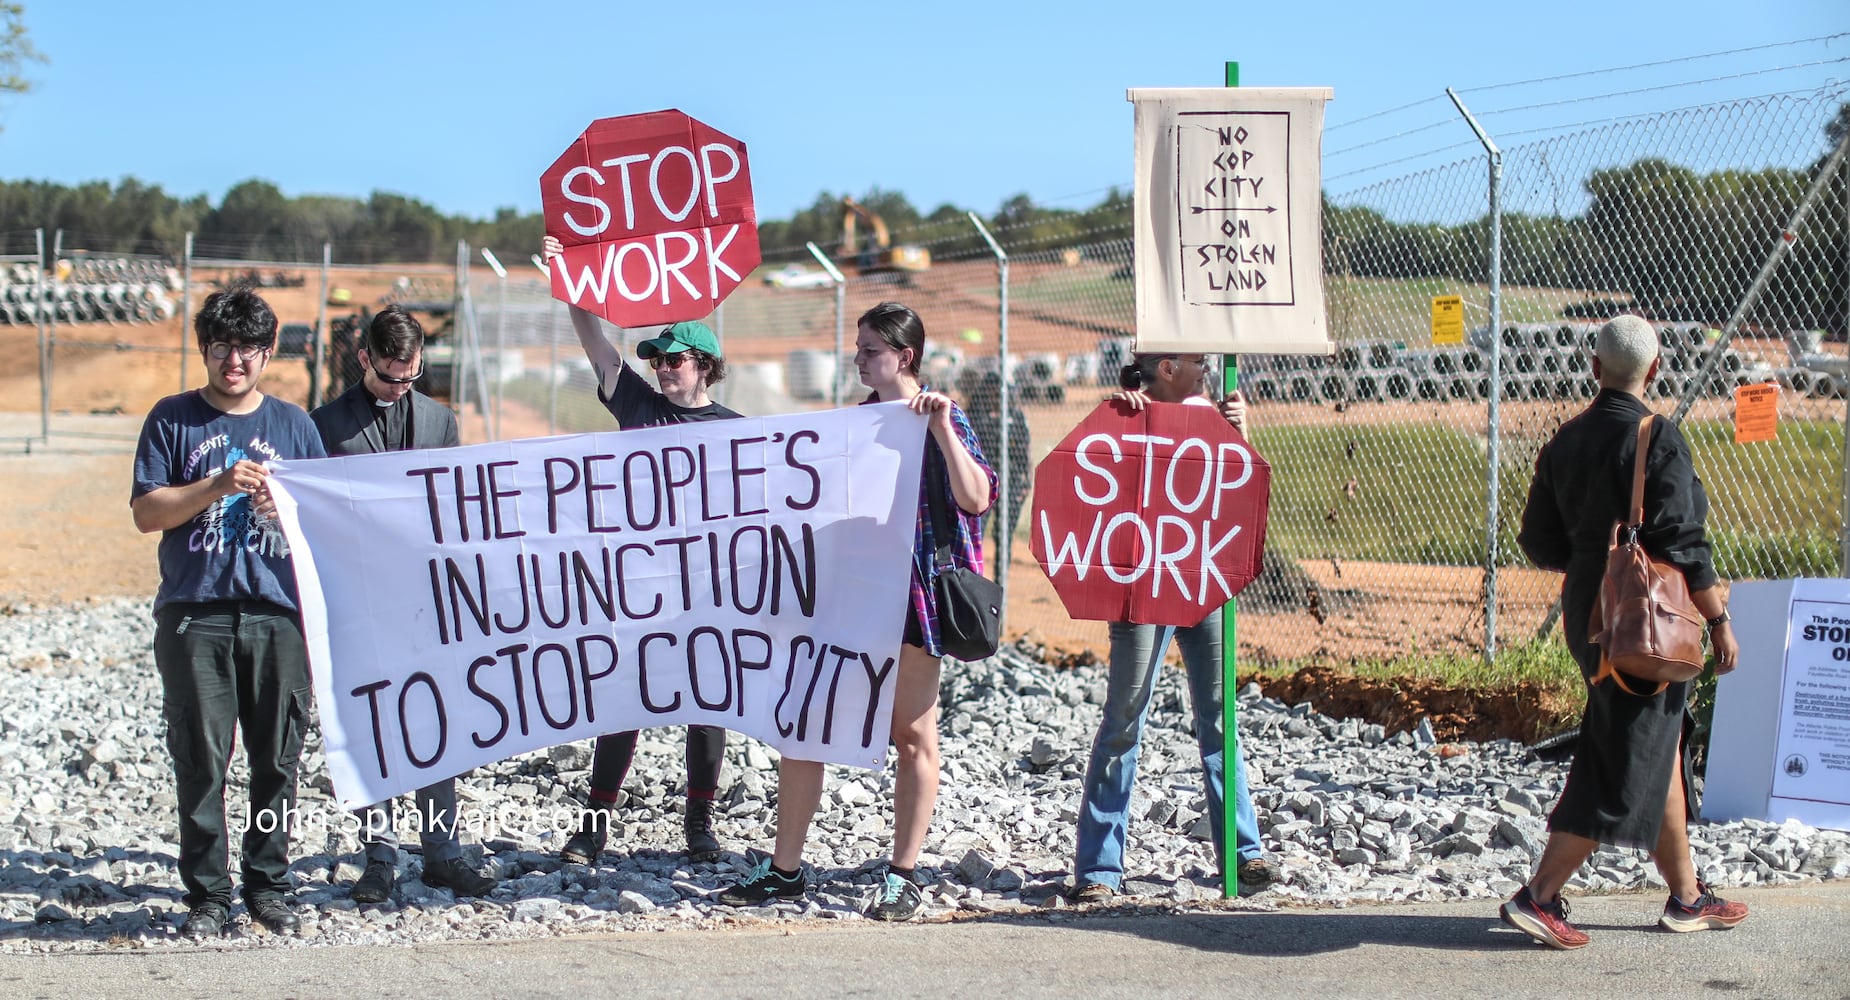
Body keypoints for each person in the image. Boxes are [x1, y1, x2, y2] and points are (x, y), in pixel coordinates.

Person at [719, 301, 996, 921]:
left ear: (906, 357)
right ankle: (785, 870)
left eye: (871, 350)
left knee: (913, 733)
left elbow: (976, 498)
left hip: (914, 601)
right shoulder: (854, 424)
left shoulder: (939, 418)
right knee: (805, 724)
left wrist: (943, 429)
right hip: (849, 597)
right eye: (858, 349)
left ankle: (903, 874)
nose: (859, 360)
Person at [1504, 314, 1747, 949]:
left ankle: (1688, 897)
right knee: (1620, 757)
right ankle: (1540, 896)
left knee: (1653, 742)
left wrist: (1593, 560)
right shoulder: (1656, 436)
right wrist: (1718, 619)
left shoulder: (1564, 441)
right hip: (1643, 623)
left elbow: (1536, 539)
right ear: (1656, 369)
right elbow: (1685, 542)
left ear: (1594, 369)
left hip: (1589, 609)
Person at [130, 286, 327, 938]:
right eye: (222, 346)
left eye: (248, 347)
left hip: (278, 616)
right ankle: (208, 896)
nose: (234, 359)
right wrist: (216, 485)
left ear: (268, 352)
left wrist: (289, 513)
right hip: (196, 614)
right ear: (205, 350)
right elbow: (146, 512)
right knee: (202, 760)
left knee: (277, 760)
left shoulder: (296, 426)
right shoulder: (172, 419)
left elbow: (327, 521)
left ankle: (268, 886)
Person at [541, 235, 737, 864]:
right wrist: (570, 278)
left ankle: (700, 826)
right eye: (655, 360)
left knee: (708, 705)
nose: (660, 368)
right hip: (638, 585)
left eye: (672, 358)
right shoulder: (637, 406)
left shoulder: (738, 432)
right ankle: (594, 826)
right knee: (622, 699)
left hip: (705, 589)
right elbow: (594, 341)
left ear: (703, 363)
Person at [1067, 352, 1283, 903]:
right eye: (1196, 360)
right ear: (1167, 366)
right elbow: (1097, 493)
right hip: (1141, 592)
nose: (1207, 366)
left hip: (1200, 584)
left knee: (1220, 719)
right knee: (1123, 720)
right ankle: (1098, 868)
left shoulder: (1209, 415)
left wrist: (1240, 432)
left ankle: (1244, 853)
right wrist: (1125, 420)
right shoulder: (1123, 416)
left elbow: (1239, 496)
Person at [310, 305, 498, 904]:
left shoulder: (441, 421)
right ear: (364, 358)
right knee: (373, 724)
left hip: (424, 601)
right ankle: (379, 858)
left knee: (434, 720)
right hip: (358, 600)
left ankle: (443, 851)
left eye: (410, 376)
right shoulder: (322, 425)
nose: (400, 387)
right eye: (390, 376)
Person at [958, 369, 1030, 562]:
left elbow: (1024, 449)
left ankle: (1001, 578)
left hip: (1011, 480)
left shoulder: (1015, 417)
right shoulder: (973, 418)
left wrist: (1025, 481)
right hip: (983, 480)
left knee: (1004, 535)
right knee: (975, 531)